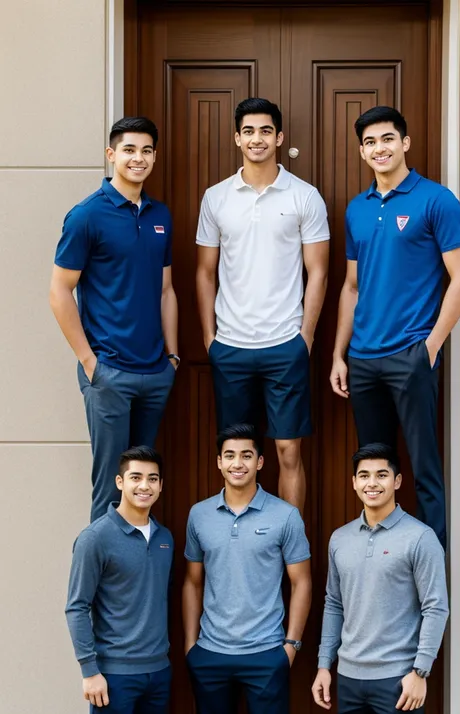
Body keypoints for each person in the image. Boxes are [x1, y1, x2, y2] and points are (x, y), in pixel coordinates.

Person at [329, 105, 460, 549]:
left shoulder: (436, 199)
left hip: (411, 354)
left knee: (424, 468)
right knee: (374, 470)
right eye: (370, 142)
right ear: (362, 150)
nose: (379, 148)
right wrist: (339, 353)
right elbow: (351, 287)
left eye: (387, 139)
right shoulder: (357, 208)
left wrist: (430, 346)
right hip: (364, 359)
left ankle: (434, 586)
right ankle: (379, 559)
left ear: (405, 143)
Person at [196, 98, 330, 514]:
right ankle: (242, 552)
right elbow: (204, 272)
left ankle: (292, 558)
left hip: (284, 344)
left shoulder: (305, 196)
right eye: (249, 131)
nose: (258, 139)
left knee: (289, 450)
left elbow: (319, 272)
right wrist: (209, 339)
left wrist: (304, 337)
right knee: (238, 457)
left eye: (266, 131)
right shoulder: (216, 197)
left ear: (280, 137)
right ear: (237, 138)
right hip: (231, 347)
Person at [50, 116, 179, 521]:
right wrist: (91, 364)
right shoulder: (87, 216)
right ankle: (98, 585)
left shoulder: (161, 216)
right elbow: (59, 292)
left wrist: (171, 359)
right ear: (111, 155)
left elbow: (166, 290)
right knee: (111, 487)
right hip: (109, 372)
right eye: (128, 149)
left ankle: (137, 579)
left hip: (155, 372)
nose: (137, 158)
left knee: (144, 487)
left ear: (154, 156)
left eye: (146, 150)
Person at [183, 423, 312, 714]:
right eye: (229, 455)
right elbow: (192, 581)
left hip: (267, 652)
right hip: (210, 653)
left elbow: (301, 582)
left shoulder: (285, 515)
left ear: (260, 461)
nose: (237, 463)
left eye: (246, 455)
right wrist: (191, 646)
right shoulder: (199, 514)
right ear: (219, 462)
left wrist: (290, 646)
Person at [311, 442, 449, 714]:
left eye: (382, 475)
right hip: (348, 678)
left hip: (398, 680)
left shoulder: (420, 537)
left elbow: (436, 606)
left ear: (397, 481)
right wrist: (324, 665)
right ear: (353, 482)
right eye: (364, 475)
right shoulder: (339, 538)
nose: (372, 483)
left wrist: (420, 672)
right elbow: (334, 604)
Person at [65, 446, 173, 714]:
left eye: (152, 478)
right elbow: (76, 607)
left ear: (160, 486)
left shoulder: (165, 539)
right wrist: (90, 671)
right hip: (114, 675)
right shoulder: (95, 538)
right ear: (120, 482)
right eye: (135, 477)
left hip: (159, 672)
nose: (144, 486)